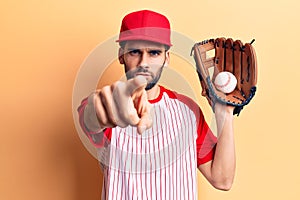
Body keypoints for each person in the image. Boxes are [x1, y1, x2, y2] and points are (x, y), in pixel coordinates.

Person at [77, 10, 235, 200]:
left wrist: (224, 112)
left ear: (166, 59)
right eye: (134, 52)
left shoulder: (188, 110)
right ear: (121, 56)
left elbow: (222, 180)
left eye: (154, 53)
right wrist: (98, 109)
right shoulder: (110, 102)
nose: (144, 63)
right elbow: (92, 116)